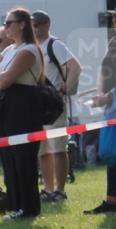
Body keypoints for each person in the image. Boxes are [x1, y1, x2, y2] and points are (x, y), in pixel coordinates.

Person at [0, 7, 44, 220]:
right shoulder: (8, 51)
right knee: (8, 157)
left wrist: (2, 78)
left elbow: (6, 79)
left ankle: (29, 207)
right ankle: (16, 205)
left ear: (22, 24)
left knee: (23, 158)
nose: (6, 27)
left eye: (9, 23)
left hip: (24, 105)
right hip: (6, 104)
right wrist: (1, 78)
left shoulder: (29, 50)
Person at [85, 0, 116, 215]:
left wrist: (110, 95)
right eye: (113, 17)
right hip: (115, 108)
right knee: (114, 153)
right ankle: (110, 202)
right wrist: (100, 94)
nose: (114, 21)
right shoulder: (115, 41)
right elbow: (103, 71)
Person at [31, 11, 82, 203]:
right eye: (31, 26)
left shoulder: (55, 44)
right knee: (43, 151)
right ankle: (48, 189)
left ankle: (60, 190)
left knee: (58, 148)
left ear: (46, 25)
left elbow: (75, 67)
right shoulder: (32, 47)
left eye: (36, 25)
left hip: (54, 105)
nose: (34, 29)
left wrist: (64, 89)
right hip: (38, 105)